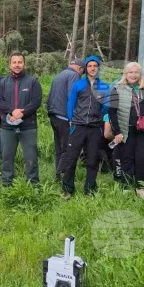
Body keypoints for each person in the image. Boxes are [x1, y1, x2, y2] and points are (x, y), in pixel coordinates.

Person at [57, 56, 110, 198]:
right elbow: (71, 103)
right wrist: (71, 119)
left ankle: (90, 188)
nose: (92, 68)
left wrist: (96, 116)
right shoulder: (78, 85)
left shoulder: (104, 86)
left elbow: (106, 106)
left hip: (95, 127)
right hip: (78, 126)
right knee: (71, 157)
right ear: (86, 68)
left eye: (95, 66)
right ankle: (68, 188)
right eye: (89, 66)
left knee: (92, 159)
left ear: (98, 68)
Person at [109, 62, 144, 199]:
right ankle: (126, 186)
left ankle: (140, 187)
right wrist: (117, 132)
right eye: (130, 72)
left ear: (140, 74)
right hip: (126, 130)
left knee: (143, 158)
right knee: (127, 158)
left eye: (136, 72)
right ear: (125, 74)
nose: (133, 75)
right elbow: (112, 112)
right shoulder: (117, 89)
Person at [0, 52, 43, 187]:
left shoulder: (33, 81)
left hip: (28, 126)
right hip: (7, 126)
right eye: (14, 62)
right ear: (10, 64)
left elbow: (36, 101)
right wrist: (12, 111)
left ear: (24, 64)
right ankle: (6, 183)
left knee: (31, 157)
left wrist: (23, 113)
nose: (17, 65)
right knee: (6, 157)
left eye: (20, 62)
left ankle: (33, 184)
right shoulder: (3, 83)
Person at [47, 59, 85, 180]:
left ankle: (59, 176)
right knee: (68, 148)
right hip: (65, 117)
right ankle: (64, 176)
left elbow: (49, 96)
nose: (81, 75)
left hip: (54, 116)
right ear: (80, 68)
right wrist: (74, 117)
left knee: (59, 148)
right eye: (82, 72)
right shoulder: (74, 75)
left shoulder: (59, 75)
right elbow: (73, 96)